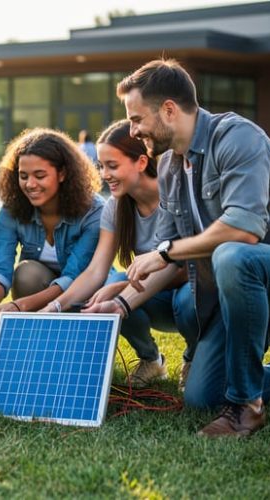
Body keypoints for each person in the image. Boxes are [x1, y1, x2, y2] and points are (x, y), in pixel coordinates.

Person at [91, 59, 270, 438]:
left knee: (232, 254)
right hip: (242, 288)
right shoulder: (168, 168)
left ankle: (246, 408)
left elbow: (243, 230)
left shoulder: (236, 137)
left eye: (136, 119)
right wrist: (122, 303)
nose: (133, 130)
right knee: (203, 396)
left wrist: (164, 252)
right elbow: (170, 259)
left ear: (168, 109)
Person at [40, 120, 197, 389]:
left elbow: (187, 269)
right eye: (102, 166)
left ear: (140, 162)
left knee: (184, 299)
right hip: (149, 297)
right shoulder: (115, 206)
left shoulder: (175, 195)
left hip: (189, 294)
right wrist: (55, 307)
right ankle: (151, 359)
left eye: (112, 166)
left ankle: (194, 357)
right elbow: (96, 271)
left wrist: (124, 286)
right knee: (109, 284)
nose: (105, 174)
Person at [0, 128, 104, 330]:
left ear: (62, 173)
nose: (30, 184)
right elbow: (0, 267)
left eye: (40, 175)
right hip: (39, 290)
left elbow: (74, 277)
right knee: (26, 273)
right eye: (23, 176)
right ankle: (38, 338)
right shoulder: (12, 209)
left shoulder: (93, 211)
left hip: (85, 295)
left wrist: (19, 306)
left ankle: (149, 356)